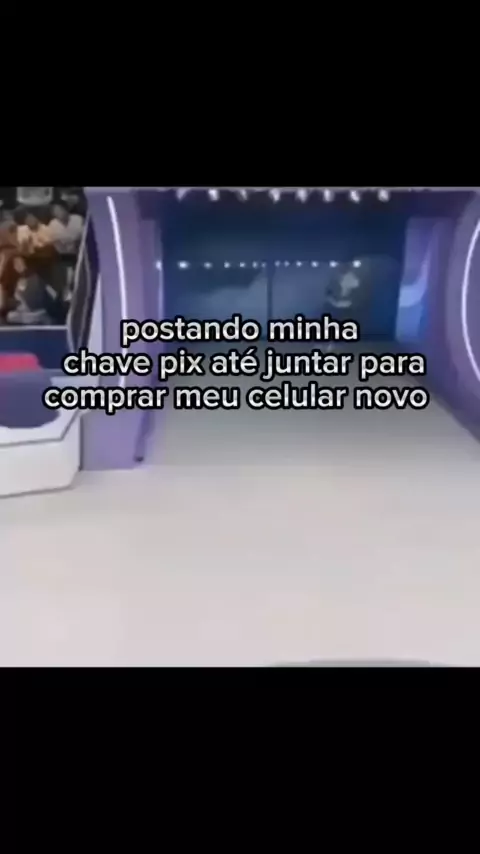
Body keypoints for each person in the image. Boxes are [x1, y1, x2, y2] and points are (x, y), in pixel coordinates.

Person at [48, 202, 84, 298]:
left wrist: (74, 241)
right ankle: (66, 294)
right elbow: (56, 242)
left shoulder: (78, 219)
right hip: (64, 256)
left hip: (81, 253)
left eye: (60, 210)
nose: (58, 213)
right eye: (55, 211)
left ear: (66, 209)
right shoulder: (52, 225)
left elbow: (82, 236)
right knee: (65, 276)